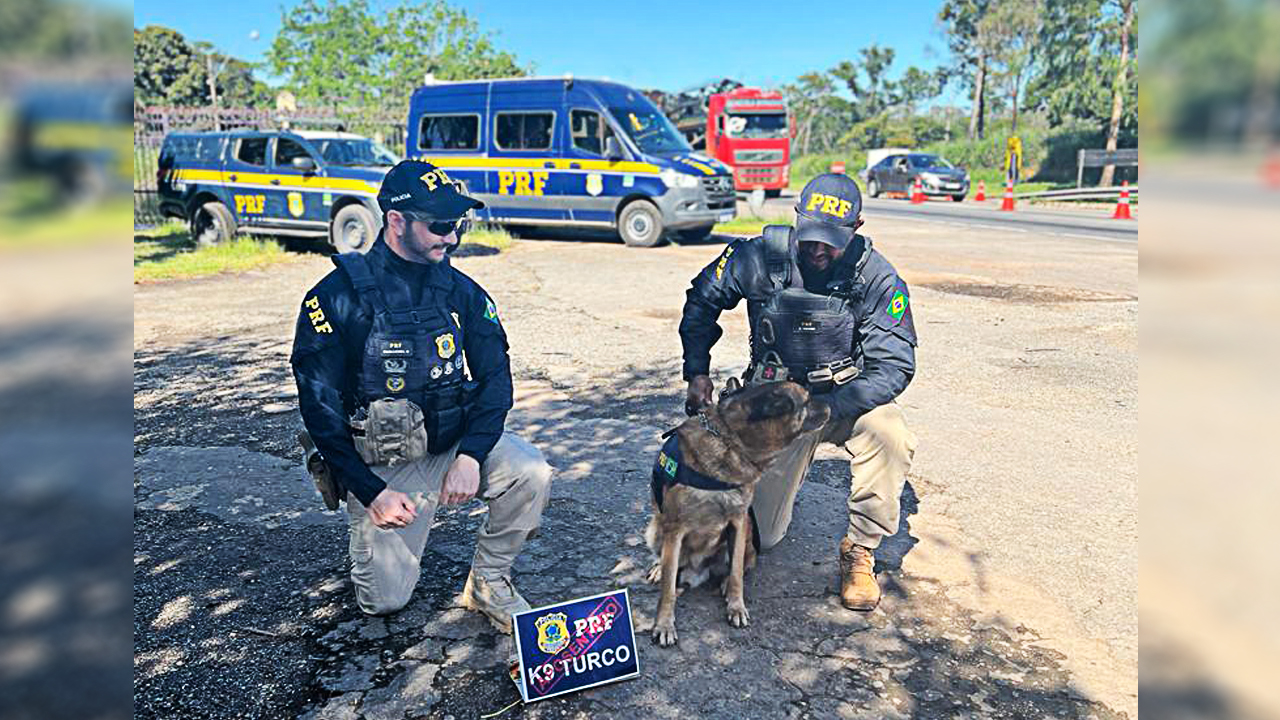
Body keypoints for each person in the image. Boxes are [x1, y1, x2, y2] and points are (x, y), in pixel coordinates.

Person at [290, 160, 552, 632]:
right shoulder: (335, 297)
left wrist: (471, 456)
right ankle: (376, 516)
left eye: (459, 224)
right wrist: (371, 492)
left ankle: (489, 581)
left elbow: (496, 380)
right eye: (441, 226)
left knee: (531, 471)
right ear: (396, 222)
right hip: (384, 464)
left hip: (451, 442)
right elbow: (319, 408)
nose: (452, 238)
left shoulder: (464, 292)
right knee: (384, 603)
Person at [678, 173, 918, 611]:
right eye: (810, 236)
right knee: (762, 539)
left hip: (843, 397)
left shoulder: (876, 276)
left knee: (890, 432)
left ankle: (860, 550)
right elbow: (702, 301)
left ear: (857, 227)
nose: (818, 249)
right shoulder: (758, 256)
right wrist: (697, 371)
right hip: (773, 397)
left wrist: (825, 407)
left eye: (831, 241)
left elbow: (894, 366)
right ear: (797, 218)